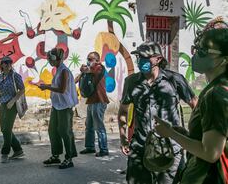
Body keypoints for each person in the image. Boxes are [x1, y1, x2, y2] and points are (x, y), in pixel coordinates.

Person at [155, 19, 228, 184]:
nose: (195, 55)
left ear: (223, 60)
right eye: (196, 49)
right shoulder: (217, 88)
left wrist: (171, 134)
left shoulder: (215, 94)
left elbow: (211, 153)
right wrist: (187, 135)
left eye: (203, 51)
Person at [117, 41, 197, 184]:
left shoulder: (174, 80)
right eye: (138, 57)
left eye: (145, 57)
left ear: (158, 59)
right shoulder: (131, 82)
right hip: (140, 147)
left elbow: (196, 106)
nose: (140, 60)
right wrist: (123, 138)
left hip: (170, 149)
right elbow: (123, 111)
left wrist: (194, 138)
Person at [39, 48, 78, 169]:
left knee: (65, 131)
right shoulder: (58, 70)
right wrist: (47, 86)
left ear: (58, 59)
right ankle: (56, 155)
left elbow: (62, 89)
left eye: (51, 59)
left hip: (65, 106)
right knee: (52, 130)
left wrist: (47, 87)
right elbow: (57, 86)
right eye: (49, 59)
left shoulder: (64, 71)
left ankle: (69, 158)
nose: (50, 61)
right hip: (57, 105)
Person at [75, 51, 110, 157]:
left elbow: (89, 70)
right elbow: (78, 78)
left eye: (91, 59)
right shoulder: (89, 70)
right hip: (91, 101)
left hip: (99, 100)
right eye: (88, 59)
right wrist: (79, 75)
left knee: (99, 126)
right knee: (89, 125)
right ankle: (90, 147)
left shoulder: (99, 67)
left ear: (98, 60)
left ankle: (104, 149)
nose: (88, 61)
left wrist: (84, 70)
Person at [0, 56, 25, 163]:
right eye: (5, 63)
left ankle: (5, 153)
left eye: (10, 63)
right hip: (2, 104)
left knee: (7, 129)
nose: (8, 64)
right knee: (4, 129)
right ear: (1, 64)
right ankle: (18, 150)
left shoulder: (15, 76)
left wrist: (13, 101)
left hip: (12, 105)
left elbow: (22, 89)